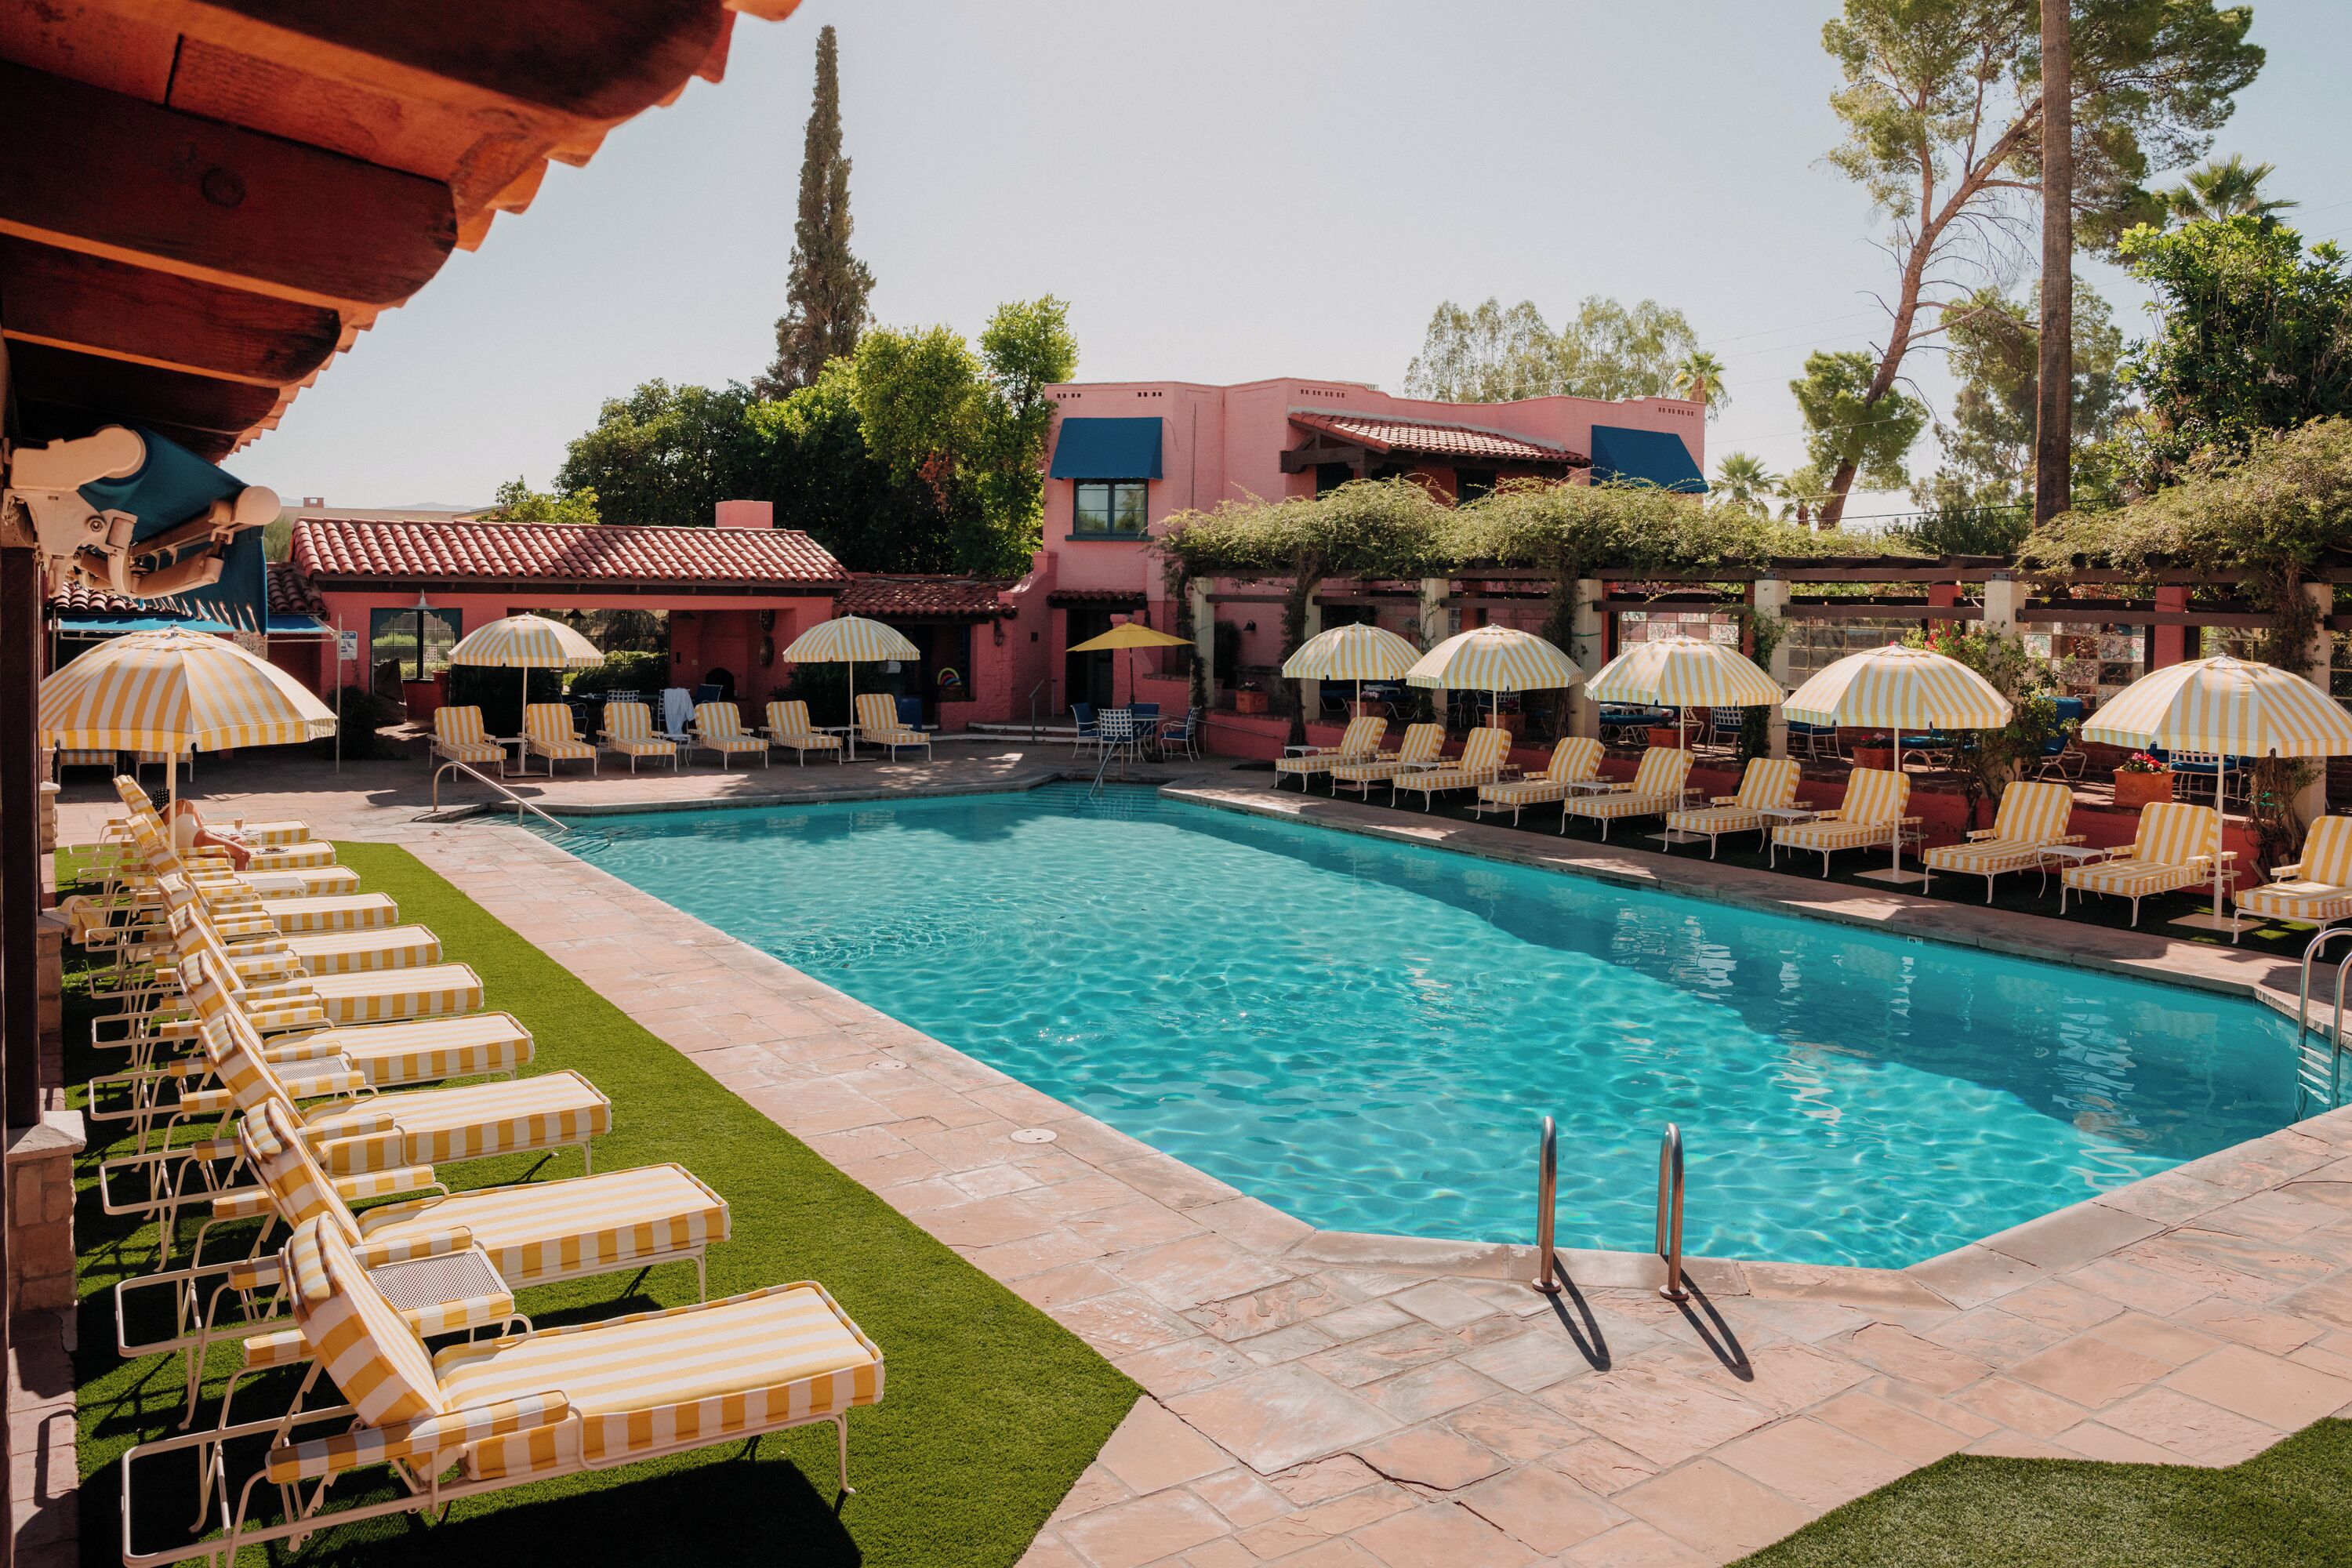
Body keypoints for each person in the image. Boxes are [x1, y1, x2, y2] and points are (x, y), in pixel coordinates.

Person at [165, 799, 252, 871]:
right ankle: (239, 886)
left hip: (189, 851)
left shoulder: (160, 821)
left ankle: (232, 846)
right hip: (199, 840)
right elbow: (201, 827)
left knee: (239, 839)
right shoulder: (184, 803)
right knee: (244, 854)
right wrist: (213, 836)